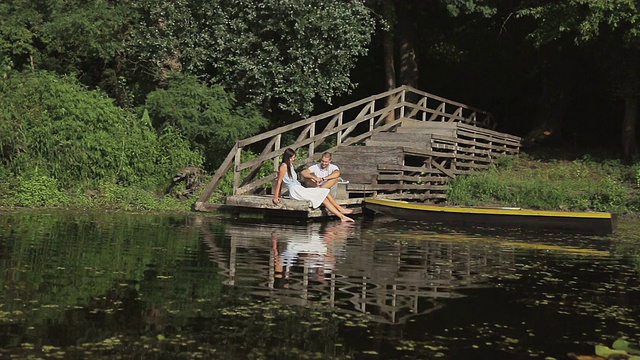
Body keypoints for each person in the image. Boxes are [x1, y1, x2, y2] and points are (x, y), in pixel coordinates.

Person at [273, 148, 354, 222]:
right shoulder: (284, 166)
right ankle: (340, 210)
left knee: (323, 194)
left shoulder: (290, 166)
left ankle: (341, 216)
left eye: (294, 157)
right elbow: (279, 181)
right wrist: (276, 196)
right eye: (292, 158)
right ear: (287, 157)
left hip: (299, 188)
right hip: (295, 191)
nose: (294, 159)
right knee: (322, 192)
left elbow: (337, 173)